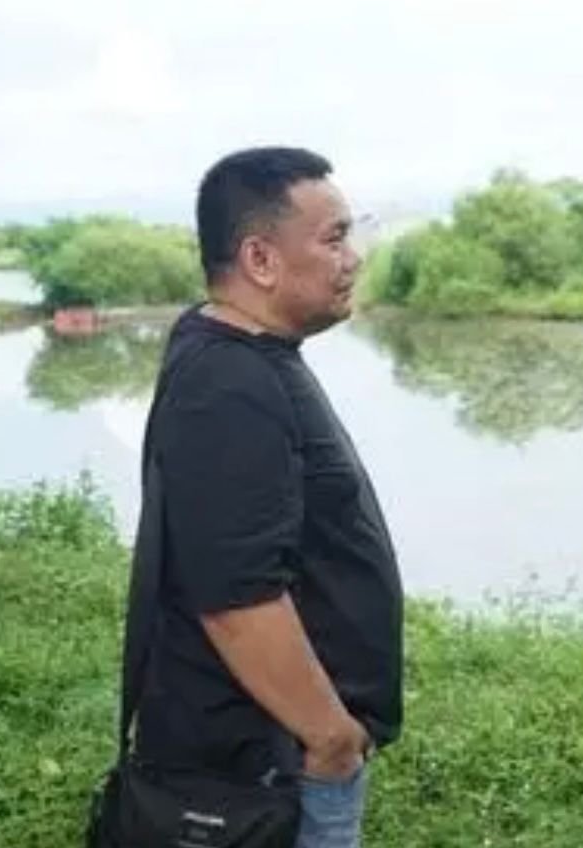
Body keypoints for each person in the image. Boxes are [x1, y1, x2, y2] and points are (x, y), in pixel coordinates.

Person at [130, 147, 403, 848]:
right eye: (334, 239)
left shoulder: (239, 353)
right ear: (260, 259)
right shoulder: (228, 385)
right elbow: (237, 598)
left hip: (282, 757)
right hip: (265, 769)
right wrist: (330, 738)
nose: (353, 258)